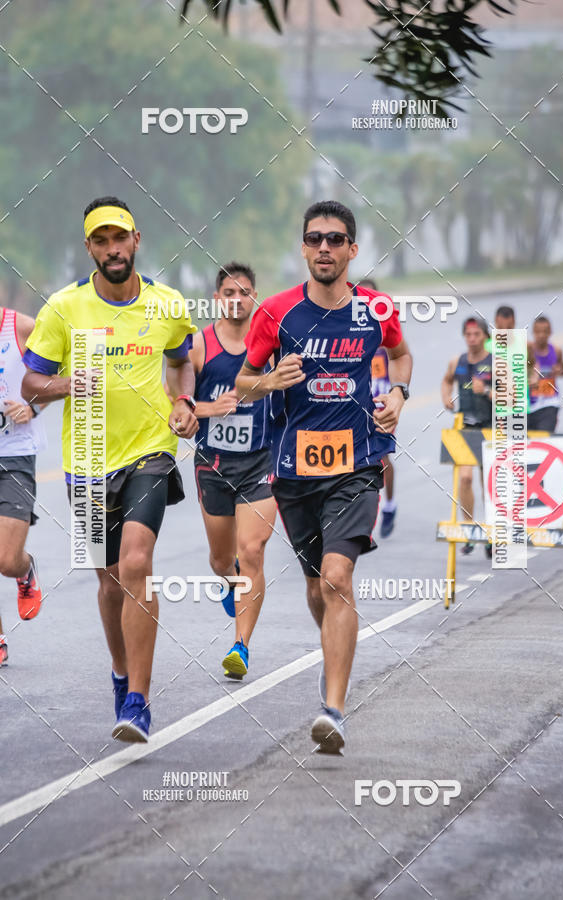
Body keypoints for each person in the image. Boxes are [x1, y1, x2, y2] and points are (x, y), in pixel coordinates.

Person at [235, 200, 412, 753]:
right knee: (317, 586)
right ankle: (332, 654)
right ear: (304, 248)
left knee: (338, 577)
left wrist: (399, 393)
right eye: (315, 239)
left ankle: (333, 708)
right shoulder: (276, 314)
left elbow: (401, 356)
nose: (325, 249)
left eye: (336, 240)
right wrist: (271, 381)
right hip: (295, 471)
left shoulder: (375, 308)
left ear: (352, 250)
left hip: (358, 463)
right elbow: (242, 382)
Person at [22, 196, 198, 742]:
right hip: (89, 456)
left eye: (119, 238)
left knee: (136, 563)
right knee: (108, 581)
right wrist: (71, 384)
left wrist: (184, 403)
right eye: (100, 241)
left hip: (150, 450)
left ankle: (140, 702)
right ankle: (121, 677)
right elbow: (31, 384)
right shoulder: (63, 309)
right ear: (89, 248)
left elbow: (181, 360)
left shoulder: (167, 304)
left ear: (136, 240)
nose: (112, 249)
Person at [191, 262, 276, 679]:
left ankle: (240, 647)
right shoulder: (198, 346)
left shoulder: (270, 342)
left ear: (254, 296)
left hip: (261, 462)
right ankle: (229, 580)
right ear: (217, 298)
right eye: (229, 292)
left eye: (245, 291)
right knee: (223, 558)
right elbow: (176, 408)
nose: (237, 299)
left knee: (252, 552)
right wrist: (210, 408)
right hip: (213, 464)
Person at [0, 305, 46, 665]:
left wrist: (33, 405)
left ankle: (24, 568)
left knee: (5, 559)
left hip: (15, 454)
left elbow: (60, 362)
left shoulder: (21, 326)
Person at [441, 316, 492, 558]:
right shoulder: (457, 361)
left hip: (491, 427)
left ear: (485, 337)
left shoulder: (496, 362)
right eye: (468, 335)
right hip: (466, 427)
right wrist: (446, 397)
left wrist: (491, 392)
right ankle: (470, 528)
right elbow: (446, 380)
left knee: (488, 483)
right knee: (466, 478)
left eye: (476, 335)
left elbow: (513, 395)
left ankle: (491, 532)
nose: (472, 339)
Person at [360, 278, 396, 538]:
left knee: (381, 459)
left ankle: (390, 506)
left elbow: (400, 363)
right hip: (353, 409)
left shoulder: (385, 338)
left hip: (381, 408)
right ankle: (361, 515)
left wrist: (396, 395)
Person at [528, 315, 563, 433]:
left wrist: (559, 370)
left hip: (550, 401)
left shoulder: (556, 351)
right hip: (531, 404)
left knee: (545, 435)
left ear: (550, 332)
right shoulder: (528, 350)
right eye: (538, 332)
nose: (541, 335)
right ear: (533, 332)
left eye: (545, 332)